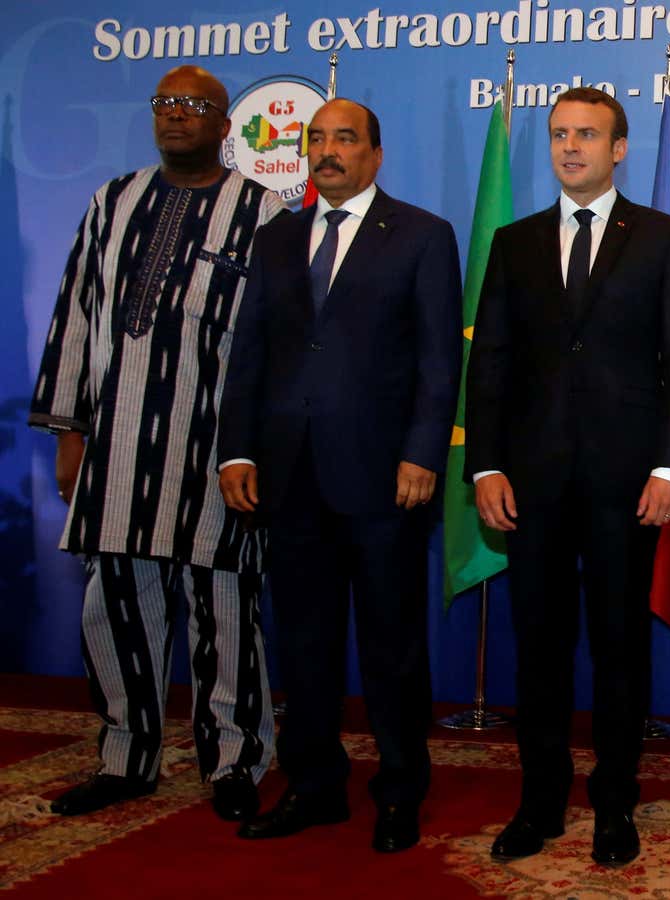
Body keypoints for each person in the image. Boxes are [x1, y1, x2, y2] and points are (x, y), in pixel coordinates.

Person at [30, 64, 282, 823]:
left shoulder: (262, 212)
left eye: (194, 106)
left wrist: (257, 450)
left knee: (226, 612)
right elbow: (76, 314)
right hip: (114, 447)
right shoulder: (114, 202)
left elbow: (272, 345)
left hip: (215, 453)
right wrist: (69, 434)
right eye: (165, 104)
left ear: (223, 122)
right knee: (116, 608)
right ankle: (126, 756)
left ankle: (234, 760)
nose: (176, 117)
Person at [464, 86, 670, 867]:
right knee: (538, 645)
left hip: (628, 483)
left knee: (618, 645)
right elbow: (490, 363)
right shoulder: (515, 241)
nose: (571, 147)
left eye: (589, 135)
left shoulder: (662, 238)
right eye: (561, 134)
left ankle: (614, 803)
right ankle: (539, 801)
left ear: (619, 148)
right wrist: (487, 464)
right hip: (530, 484)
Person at [217, 99, 461, 853]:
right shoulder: (278, 238)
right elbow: (250, 350)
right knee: (304, 643)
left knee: (391, 643)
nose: (327, 152)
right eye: (315, 139)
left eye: (343, 140)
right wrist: (237, 450)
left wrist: (422, 452)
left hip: (387, 480)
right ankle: (314, 785)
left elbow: (436, 359)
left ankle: (398, 789)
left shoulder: (421, 234)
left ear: (375, 155)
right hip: (288, 477)